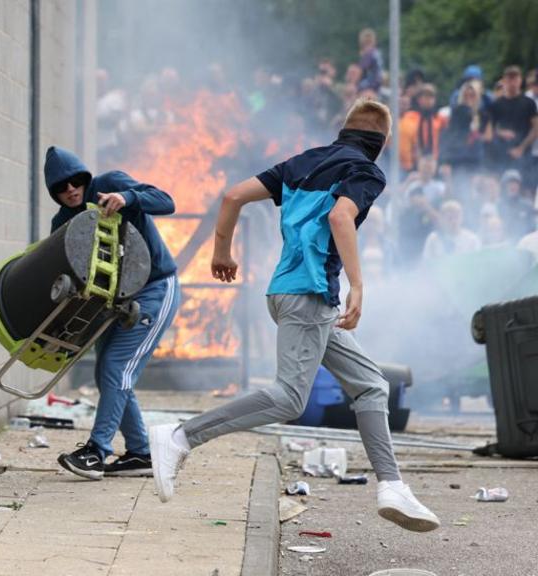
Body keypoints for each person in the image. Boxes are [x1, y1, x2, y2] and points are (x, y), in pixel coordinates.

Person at [148, 99, 441, 533]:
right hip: (309, 297)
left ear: (343, 131)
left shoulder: (304, 161)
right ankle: (180, 436)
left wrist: (222, 251)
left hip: (292, 296)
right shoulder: (366, 171)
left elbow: (231, 196)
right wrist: (357, 285)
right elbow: (342, 216)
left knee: (372, 386)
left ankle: (392, 486)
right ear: (381, 143)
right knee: (289, 398)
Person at [44, 146, 179, 480]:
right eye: (61, 187)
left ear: (85, 178)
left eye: (75, 181)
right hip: (108, 304)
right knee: (108, 372)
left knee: (118, 367)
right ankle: (140, 454)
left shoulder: (111, 184)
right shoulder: (62, 222)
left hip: (154, 289)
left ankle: (97, 451)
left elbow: (167, 202)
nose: (71, 190)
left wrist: (127, 198)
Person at [485, 66, 538, 175]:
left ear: (520, 80)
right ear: (504, 81)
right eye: (509, 79)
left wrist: (521, 148)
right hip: (501, 154)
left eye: (515, 78)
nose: (512, 82)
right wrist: (501, 133)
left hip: (524, 154)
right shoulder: (496, 105)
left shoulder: (529, 103)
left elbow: (536, 128)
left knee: (525, 189)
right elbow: (489, 131)